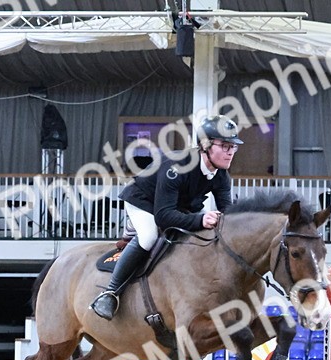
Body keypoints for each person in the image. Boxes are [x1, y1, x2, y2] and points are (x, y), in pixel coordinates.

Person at [89, 115, 243, 320]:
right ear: (205, 145)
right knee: (149, 237)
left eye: (233, 147)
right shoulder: (177, 166)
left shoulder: (222, 175)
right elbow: (163, 217)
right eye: (225, 146)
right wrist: (200, 220)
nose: (230, 152)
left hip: (176, 207)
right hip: (144, 202)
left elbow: (228, 214)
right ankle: (110, 293)